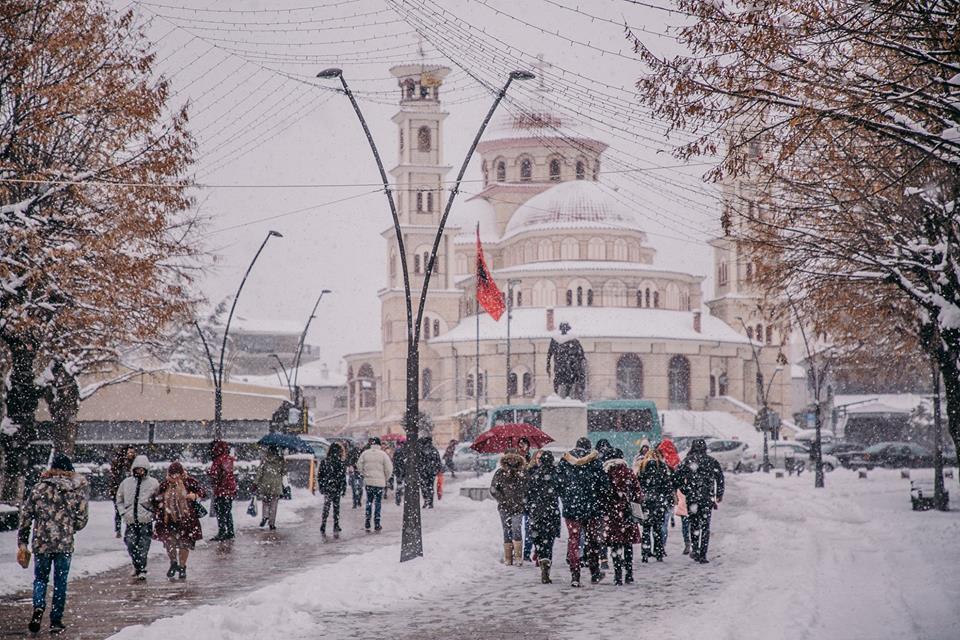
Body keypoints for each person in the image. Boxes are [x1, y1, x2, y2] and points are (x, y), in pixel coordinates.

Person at [18, 454, 88, 634]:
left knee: (40, 578)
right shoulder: (75, 490)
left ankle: (38, 607)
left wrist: (23, 541)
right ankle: (56, 620)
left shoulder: (38, 488)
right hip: (64, 543)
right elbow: (81, 520)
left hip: (41, 542)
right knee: (60, 581)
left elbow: (25, 516)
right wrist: (69, 526)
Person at [556, 437, 608, 587]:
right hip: (592, 508)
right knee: (592, 541)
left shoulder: (565, 461)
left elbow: (558, 483)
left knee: (574, 539)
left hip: (572, 508)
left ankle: (575, 574)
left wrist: (567, 497)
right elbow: (603, 485)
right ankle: (594, 572)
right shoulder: (595, 462)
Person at [673, 439, 725, 563]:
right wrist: (719, 494)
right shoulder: (711, 461)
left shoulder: (687, 461)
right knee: (705, 526)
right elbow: (720, 478)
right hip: (707, 498)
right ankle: (703, 554)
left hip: (692, 498)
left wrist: (684, 489)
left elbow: (676, 478)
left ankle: (695, 549)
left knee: (694, 524)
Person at [151, 462, 206, 580]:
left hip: (187, 520)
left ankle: (182, 567)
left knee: (184, 545)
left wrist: (194, 496)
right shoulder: (165, 485)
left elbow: (203, 492)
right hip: (168, 519)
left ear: (182, 473)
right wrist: (160, 504)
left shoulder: (190, 482)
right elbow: (155, 499)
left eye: (178, 474)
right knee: (169, 543)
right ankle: (173, 563)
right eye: (172, 475)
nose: (175, 477)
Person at [599, 448, 642, 585]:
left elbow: (601, 496)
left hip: (612, 515)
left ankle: (618, 576)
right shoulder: (629, 472)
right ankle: (629, 574)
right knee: (628, 544)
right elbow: (638, 494)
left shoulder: (605, 473)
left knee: (615, 545)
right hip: (628, 513)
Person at [114, 454, 159, 580]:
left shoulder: (153, 483)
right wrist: (123, 512)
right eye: (137, 469)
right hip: (131, 520)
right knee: (130, 543)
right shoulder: (126, 483)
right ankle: (137, 565)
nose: (140, 471)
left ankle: (141, 568)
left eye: (142, 469)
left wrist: (152, 513)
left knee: (144, 546)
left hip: (146, 520)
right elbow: (119, 499)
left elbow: (158, 500)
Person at [525, 450, 561, 583]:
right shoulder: (556, 475)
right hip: (552, 512)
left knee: (539, 540)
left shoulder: (535, 475)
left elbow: (528, 496)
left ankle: (542, 561)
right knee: (549, 541)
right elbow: (561, 491)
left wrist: (529, 509)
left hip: (537, 512)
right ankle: (547, 564)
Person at [635, 441, 673, 562]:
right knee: (657, 528)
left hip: (646, 501)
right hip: (659, 501)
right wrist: (668, 499)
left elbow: (637, 485)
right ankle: (659, 552)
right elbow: (667, 485)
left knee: (646, 528)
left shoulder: (642, 467)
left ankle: (645, 553)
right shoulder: (662, 467)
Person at [489, 448, 527, 566]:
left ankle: (518, 557)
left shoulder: (522, 473)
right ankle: (508, 558)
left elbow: (527, 488)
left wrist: (520, 500)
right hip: (504, 507)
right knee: (506, 530)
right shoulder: (500, 473)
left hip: (518, 507)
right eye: (509, 458)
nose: (511, 460)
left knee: (516, 529)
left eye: (514, 457)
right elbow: (493, 489)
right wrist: (503, 500)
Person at [357, 437, 393, 532]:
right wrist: (386, 478)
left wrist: (364, 474)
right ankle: (377, 523)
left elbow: (359, 465)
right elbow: (389, 468)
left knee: (369, 501)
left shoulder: (365, 453)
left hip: (368, 482)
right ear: (379, 444)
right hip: (380, 483)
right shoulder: (383, 454)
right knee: (378, 502)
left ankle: (367, 521)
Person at [207, 440, 237, 542]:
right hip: (230, 489)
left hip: (221, 490)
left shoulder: (218, 460)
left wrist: (211, 476)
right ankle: (230, 531)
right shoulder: (229, 459)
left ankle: (222, 532)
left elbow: (214, 475)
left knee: (220, 512)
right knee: (227, 511)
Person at [657, 438, 683, 551]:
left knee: (658, 522)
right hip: (669, 495)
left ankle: (658, 545)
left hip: (658, 496)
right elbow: (678, 480)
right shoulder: (676, 459)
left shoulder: (658, 462)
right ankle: (662, 545)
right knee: (665, 522)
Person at [316, 442, 347, 537]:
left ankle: (323, 524)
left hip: (327, 487)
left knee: (326, 506)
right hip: (336, 487)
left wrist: (321, 486)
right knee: (336, 507)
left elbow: (320, 476)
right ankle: (336, 524)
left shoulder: (324, 462)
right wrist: (343, 488)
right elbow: (342, 477)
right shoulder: (340, 462)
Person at [254, 445, 287, 531]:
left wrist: (255, 483)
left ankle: (265, 516)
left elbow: (259, 472)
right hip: (276, 485)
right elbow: (284, 472)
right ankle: (272, 523)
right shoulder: (280, 460)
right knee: (274, 504)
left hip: (265, 483)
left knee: (265, 501)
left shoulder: (264, 460)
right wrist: (283, 461)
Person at [109, 446, 136, 538]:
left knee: (129, 511)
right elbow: (115, 478)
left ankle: (126, 529)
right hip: (119, 490)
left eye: (132, 453)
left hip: (128, 491)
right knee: (118, 511)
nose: (131, 455)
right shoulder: (119, 464)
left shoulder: (134, 463)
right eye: (129, 453)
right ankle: (118, 530)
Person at [417, 436, 442, 509]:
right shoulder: (434, 449)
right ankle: (431, 502)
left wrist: (419, 468)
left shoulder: (421, 449)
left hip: (423, 471)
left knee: (423, 486)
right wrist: (438, 470)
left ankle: (425, 501)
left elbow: (419, 461)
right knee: (430, 487)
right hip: (432, 472)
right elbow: (438, 460)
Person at [346, 442, 364, 509]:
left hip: (359, 471)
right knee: (357, 488)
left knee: (358, 488)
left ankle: (357, 500)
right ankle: (355, 502)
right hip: (354, 471)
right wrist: (350, 466)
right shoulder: (352, 452)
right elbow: (347, 461)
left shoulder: (362, 452)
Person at [392, 441, 406, 506]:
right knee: (406, 486)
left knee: (399, 486)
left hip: (399, 472)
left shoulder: (397, 451)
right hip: (406, 472)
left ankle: (398, 500)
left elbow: (394, 461)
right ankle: (404, 499)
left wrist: (395, 470)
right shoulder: (408, 452)